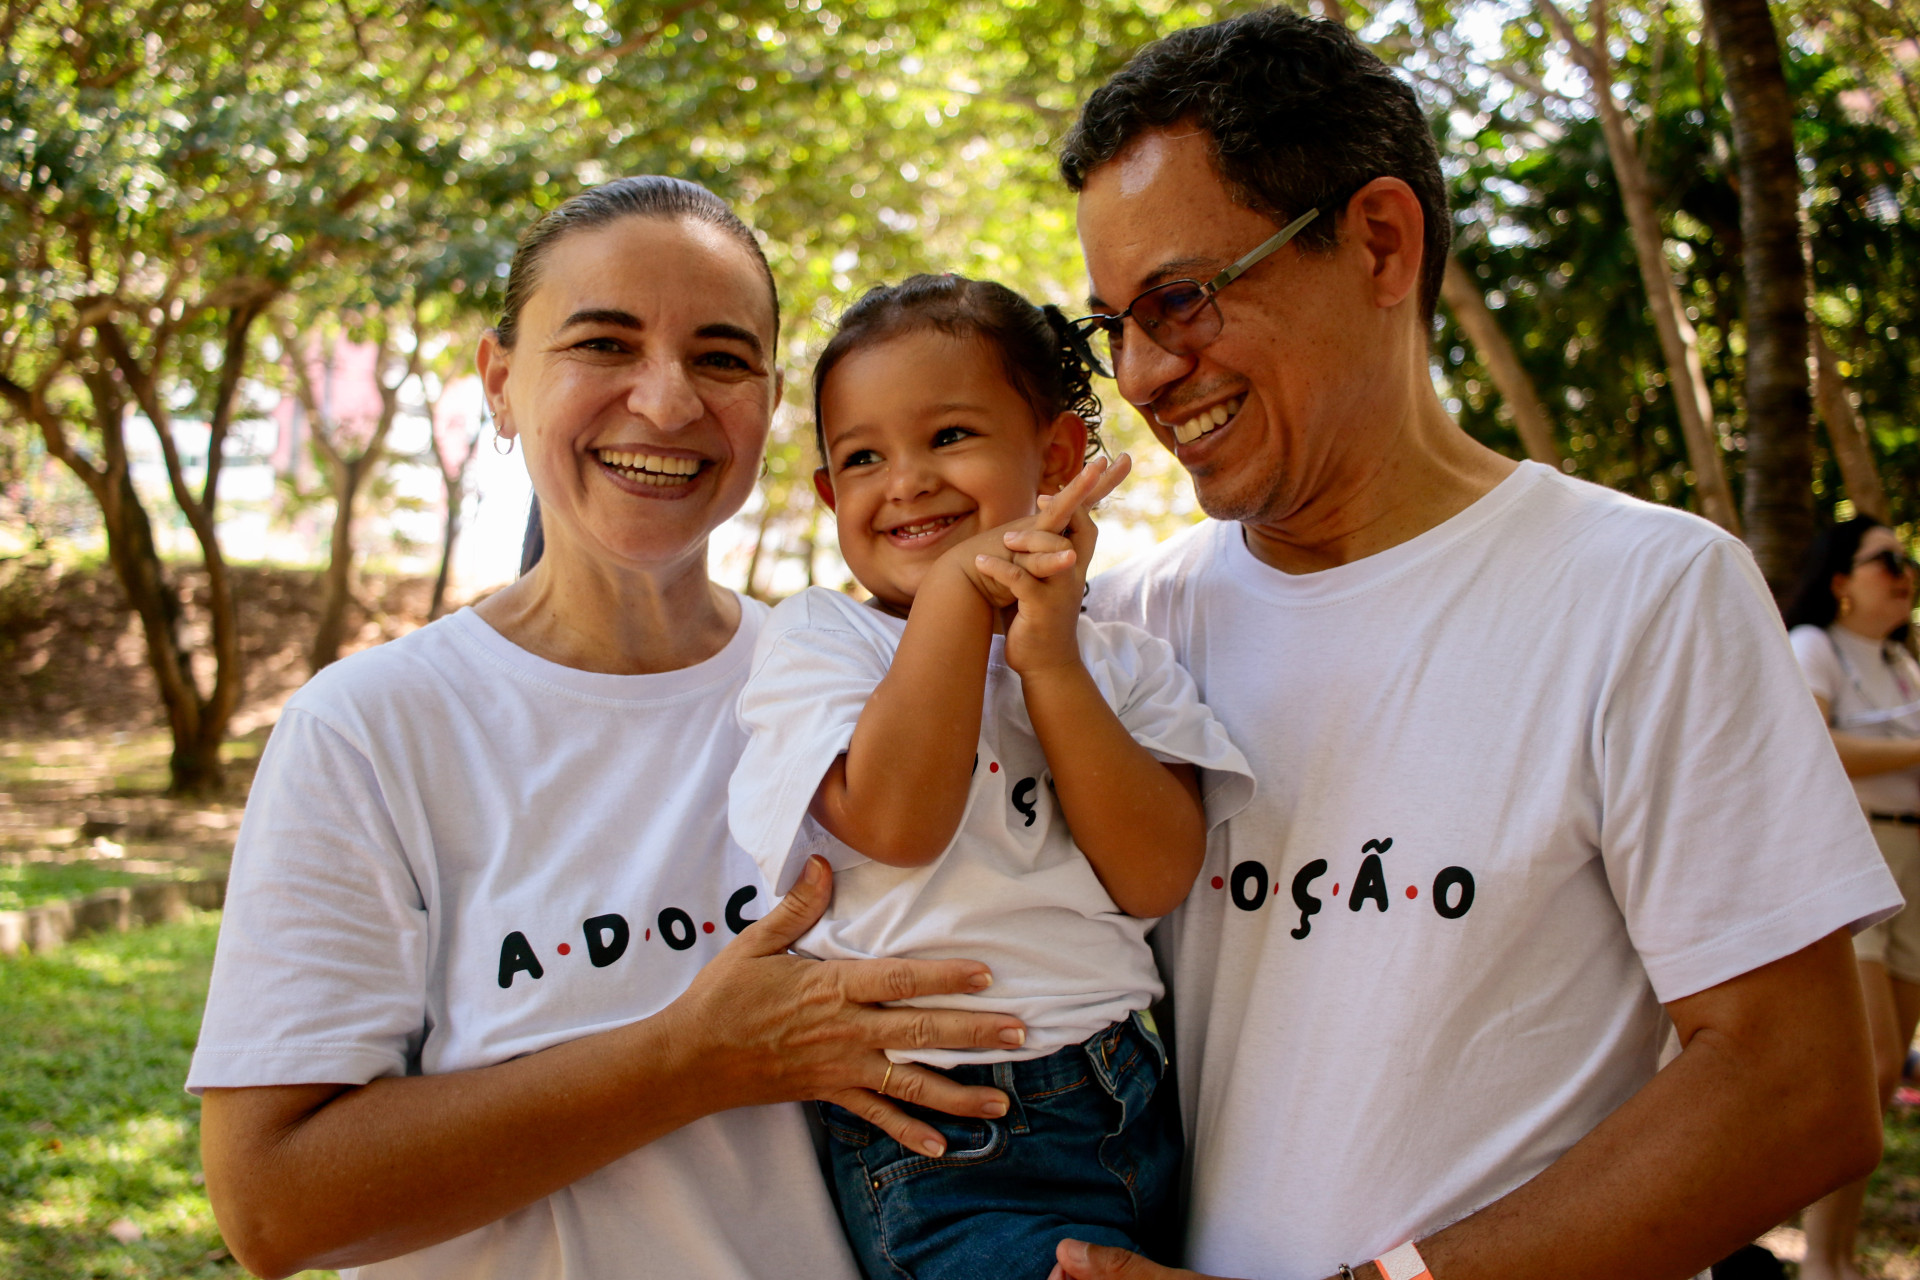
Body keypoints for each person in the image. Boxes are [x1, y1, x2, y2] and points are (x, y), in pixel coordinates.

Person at [1040, 9, 1901, 1280]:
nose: (1150, 371)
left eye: (1182, 298)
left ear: (1380, 242)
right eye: (1113, 324)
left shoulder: (1645, 590)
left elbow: (1799, 1083)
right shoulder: (1119, 627)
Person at [187, 177, 1027, 1280]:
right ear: (501, 381)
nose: (667, 403)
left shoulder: (868, 690)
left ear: (769, 403)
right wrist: (691, 1058)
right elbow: (271, 1206)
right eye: (604, 344)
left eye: (721, 358)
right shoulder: (373, 730)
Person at [728, 274, 1254, 1280]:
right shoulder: (823, 640)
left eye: (950, 435)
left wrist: (1050, 660)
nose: (908, 480)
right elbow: (897, 819)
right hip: (945, 1134)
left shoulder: (1117, 658)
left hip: (1128, 1096)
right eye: (865, 457)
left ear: (1054, 458)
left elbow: (1154, 873)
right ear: (833, 496)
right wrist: (959, 601)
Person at [1786, 516, 1920, 1280]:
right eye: (1884, 561)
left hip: (1911, 860)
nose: (1902, 572)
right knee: (1866, 1070)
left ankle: (1839, 1254)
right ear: (1841, 581)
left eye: (1904, 560)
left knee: (1888, 1066)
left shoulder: (1902, 661)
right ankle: (1821, 1262)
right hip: (1851, 853)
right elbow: (1813, 742)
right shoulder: (1815, 648)